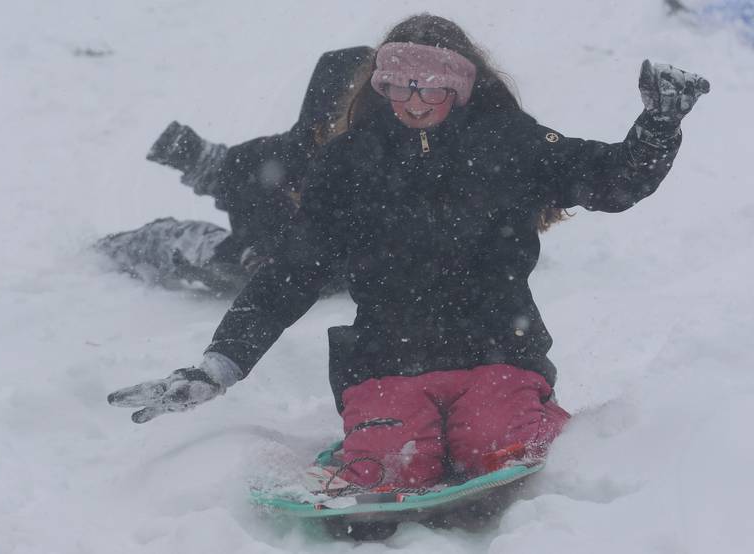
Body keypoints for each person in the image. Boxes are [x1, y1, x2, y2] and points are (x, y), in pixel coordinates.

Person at [108, 14, 709, 492]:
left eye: (432, 87)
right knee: (389, 468)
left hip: (498, 348)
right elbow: (292, 274)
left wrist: (657, 128)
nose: (413, 101)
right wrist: (218, 367)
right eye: (399, 85)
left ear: (462, 86)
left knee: (499, 447)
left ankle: (500, 426)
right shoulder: (348, 162)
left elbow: (610, 181)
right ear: (380, 85)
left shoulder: (510, 142)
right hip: (386, 359)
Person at [95, 47, 373, 293]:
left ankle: (207, 176)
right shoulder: (300, 149)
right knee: (259, 166)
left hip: (279, 259)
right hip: (267, 228)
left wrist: (261, 253)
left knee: (201, 248)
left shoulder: (374, 170)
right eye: (325, 124)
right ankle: (206, 165)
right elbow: (258, 162)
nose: (331, 131)